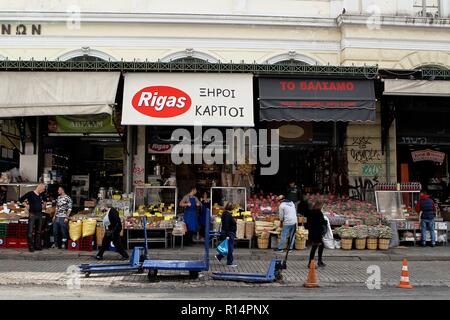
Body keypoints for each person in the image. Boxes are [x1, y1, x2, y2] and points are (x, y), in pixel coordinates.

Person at [19, 183, 47, 252]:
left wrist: (44, 205)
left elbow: (45, 201)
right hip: (32, 214)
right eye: (43, 189)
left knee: (38, 231)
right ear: (39, 188)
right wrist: (26, 205)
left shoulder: (41, 195)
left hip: (40, 214)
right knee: (30, 231)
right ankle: (31, 246)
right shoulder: (30, 194)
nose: (43, 191)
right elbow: (20, 199)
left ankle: (37, 245)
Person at [304, 200, 328, 268]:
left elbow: (307, 222)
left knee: (321, 245)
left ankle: (319, 261)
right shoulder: (318, 212)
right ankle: (311, 263)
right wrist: (325, 222)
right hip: (317, 232)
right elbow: (322, 222)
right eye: (322, 206)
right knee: (315, 247)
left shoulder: (310, 212)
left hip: (312, 231)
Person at [215, 202, 237, 267]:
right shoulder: (227, 214)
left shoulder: (226, 214)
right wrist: (227, 235)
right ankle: (229, 262)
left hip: (228, 233)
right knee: (230, 248)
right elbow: (226, 225)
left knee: (227, 247)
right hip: (229, 233)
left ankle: (219, 256)